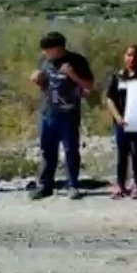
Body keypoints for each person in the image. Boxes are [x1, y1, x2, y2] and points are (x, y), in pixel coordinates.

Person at [29, 32, 95, 201]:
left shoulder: (77, 61)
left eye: (48, 50)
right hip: (47, 113)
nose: (45, 53)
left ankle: (72, 185)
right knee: (47, 150)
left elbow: (88, 87)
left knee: (70, 150)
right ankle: (45, 185)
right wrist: (37, 79)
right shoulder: (44, 61)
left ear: (58, 48)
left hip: (68, 114)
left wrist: (72, 75)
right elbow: (44, 84)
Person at [103, 44, 137, 200]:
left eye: (135, 55)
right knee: (121, 154)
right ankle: (120, 185)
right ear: (124, 56)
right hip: (121, 123)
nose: (131, 58)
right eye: (128, 55)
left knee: (136, 153)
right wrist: (118, 117)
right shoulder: (118, 76)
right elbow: (109, 99)